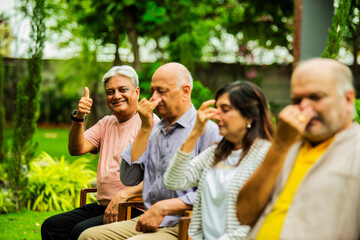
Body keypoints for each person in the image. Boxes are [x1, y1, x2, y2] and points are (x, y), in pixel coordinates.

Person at [78, 62, 221, 240]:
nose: (153, 98)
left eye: (161, 91)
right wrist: (145, 128)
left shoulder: (208, 131)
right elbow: (129, 178)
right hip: (148, 219)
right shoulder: (155, 130)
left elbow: (214, 192)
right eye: (153, 91)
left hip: (185, 223)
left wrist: (164, 208)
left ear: (185, 91)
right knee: (88, 236)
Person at [236, 58, 360, 239]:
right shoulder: (287, 144)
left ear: (348, 99)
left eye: (316, 97)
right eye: (297, 100)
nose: (304, 107)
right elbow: (244, 214)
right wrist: (279, 145)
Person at [41, 66, 159, 240]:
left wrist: (123, 196)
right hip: (103, 205)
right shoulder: (106, 123)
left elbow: (158, 177)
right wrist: (79, 118)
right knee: (52, 227)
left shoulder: (150, 123)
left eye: (122, 90)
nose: (116, 96)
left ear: (137, 91)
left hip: (134, 207)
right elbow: (76, 149)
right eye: (110, 92)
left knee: (80, 231)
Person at [164, 81, 274, 239]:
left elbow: (260, 219)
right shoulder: (215, 154)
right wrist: (195, 132)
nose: (216, 115)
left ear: (249, 116)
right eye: (217, 109)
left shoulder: (266, 155)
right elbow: (174, 181)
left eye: (225, 110)